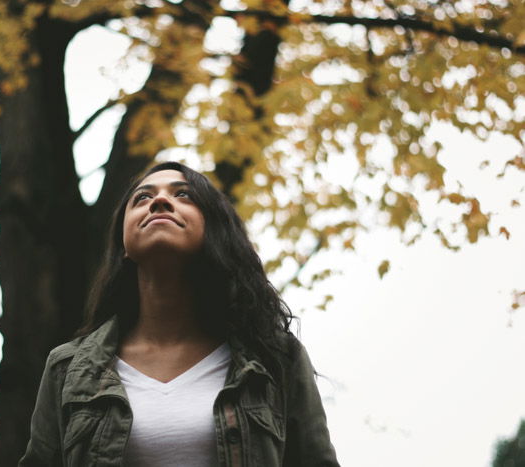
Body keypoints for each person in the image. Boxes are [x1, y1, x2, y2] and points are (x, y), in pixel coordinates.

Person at [19, 162, 339, 467]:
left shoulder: (277, 358)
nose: (159, 200)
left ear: (213, 228)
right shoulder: (67, 369)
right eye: (142, 198)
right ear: (124, 245)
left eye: (182, 194)